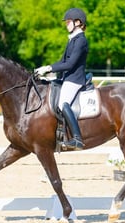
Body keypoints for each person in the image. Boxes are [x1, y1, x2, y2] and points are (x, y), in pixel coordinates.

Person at [35, 8, 88, 151]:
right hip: (67, 78)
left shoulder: (81, 40)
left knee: (62, 103)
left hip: (75, 79)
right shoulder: (72, 40)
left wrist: (49, 68)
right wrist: (47, 69)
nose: (67, 24)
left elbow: (70, 64)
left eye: (69, 22)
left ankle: (77, 139)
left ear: (78, 22)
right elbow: (62, 61)